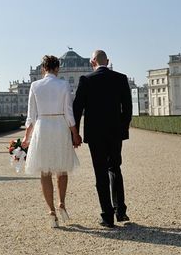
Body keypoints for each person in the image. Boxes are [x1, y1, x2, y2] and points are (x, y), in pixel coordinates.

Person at [73, 49, 132, 228]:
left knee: (100, 173)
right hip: (115, 133)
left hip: (95, 134)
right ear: (108, 61)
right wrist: (122, 129)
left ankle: (107, 216)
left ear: (92, 62)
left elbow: (77, 109)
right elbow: (127, 109)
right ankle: (121, 210)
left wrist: (74, 133)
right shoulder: (121, 78)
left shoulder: (86, 80)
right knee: (115, 168)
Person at [22, 55, 82, 227]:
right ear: (57, 69)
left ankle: (51, 211)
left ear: (43, 69)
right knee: (62, 169)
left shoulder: (35, 85)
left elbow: (31, 115)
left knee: (44, 171)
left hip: (42, 126)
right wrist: (75, 134)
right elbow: (69, 113)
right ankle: (61, 203)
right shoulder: (63, 84)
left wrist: (27, 137)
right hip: (60, 127)